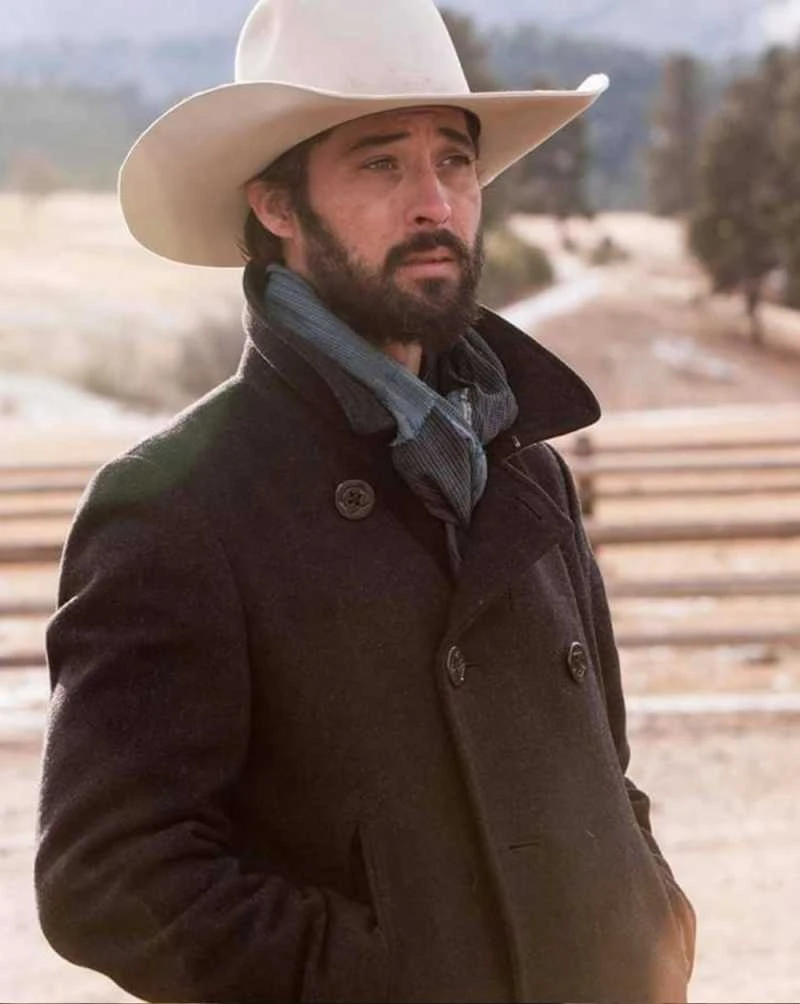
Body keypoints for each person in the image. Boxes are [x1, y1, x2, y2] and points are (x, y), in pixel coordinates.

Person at [35, 0, 696, 1001]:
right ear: (277, 205)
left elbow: (604, 769)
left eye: (454, 161)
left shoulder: (527, 467)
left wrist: (653, 923)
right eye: (381, 163)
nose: (434, 203)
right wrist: (392, 978)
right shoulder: (178, 504)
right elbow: (108, 876)